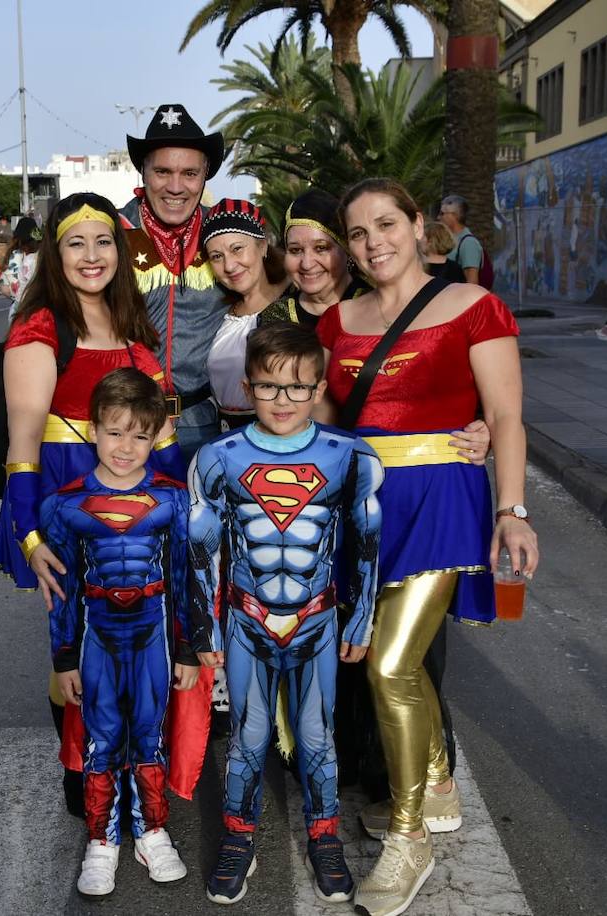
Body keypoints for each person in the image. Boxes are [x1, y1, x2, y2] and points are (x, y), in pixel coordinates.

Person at [316, 178, 538, 916]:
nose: (374, 241)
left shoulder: (475, 308)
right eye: (357, 232)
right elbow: (317, 424)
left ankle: (409, 839)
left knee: (388, 664)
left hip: (441, 502)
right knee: (394, 656)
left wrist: (512, 510)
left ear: (419, 226)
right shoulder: (335, 321)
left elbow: (505, 415)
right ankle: (436, 780)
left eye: (387, 223)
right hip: (360, 508)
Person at [0, 192, 195, 819]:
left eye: (102, 241)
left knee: (140, 638)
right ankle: (84, 779)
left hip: (141, 500)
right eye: (75, 242)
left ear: (120, 249)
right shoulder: (41, 326)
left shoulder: (134, 324)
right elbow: (23, 444)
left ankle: (136, 764)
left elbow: (160, 435)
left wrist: (185, 513)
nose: (90, 256)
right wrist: (31, 536)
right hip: (66, 497)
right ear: (55, 252)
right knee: (79, 643)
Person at [189, 322, 384, 906]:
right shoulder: (217, 457)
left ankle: (325, 839)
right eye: (269, 387)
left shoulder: (350, 455)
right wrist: (204, 627)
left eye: (297, 388)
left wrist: (362, 615)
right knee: (248, 739)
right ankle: (238, 838)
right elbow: (202, 550)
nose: (282, 400)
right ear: (248, 388)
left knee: (318, 737)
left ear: (318, 388)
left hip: (318, 619)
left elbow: (368, 542)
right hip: (247, 621)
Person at [41, 367, 197, 897]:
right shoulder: (64, 505)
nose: (126, 446)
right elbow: (60, 594)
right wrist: (63, 659)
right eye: (114, 431)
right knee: (102, 739)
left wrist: (187, 649)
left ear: (156, 436)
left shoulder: (174, 499)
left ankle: (152, 830)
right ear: (92, 429)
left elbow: (183, 579)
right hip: (97, 636)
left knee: (150, 737)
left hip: (153, 631)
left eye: (139, 434)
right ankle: (101, 840)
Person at [121, 103, 231, 461]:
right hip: (121, 422)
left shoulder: (225, 233)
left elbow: (269, 297)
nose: (175, 186)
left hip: (202, 425)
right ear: (143, 172)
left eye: (189, 173)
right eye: (162, 171)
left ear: (205, 175)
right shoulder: (109, 233)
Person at [201, 199, 289, 431]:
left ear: (262, 246)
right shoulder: (221, 315)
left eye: (237, 248)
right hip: (224, 438)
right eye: (217, 256)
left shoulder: (293, 305)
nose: (229, 265)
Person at [259, 189, 368, 330]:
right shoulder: (276, 318)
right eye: (295, 250)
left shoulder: (375, 307)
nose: (307, 264)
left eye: (321, 248)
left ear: (346, 249)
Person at [437, 194, 489, 287]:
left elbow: (472, 284)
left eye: (442, 213)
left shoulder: (468, 243)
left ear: (454, 215)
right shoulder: (451, 240)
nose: (438, 217)